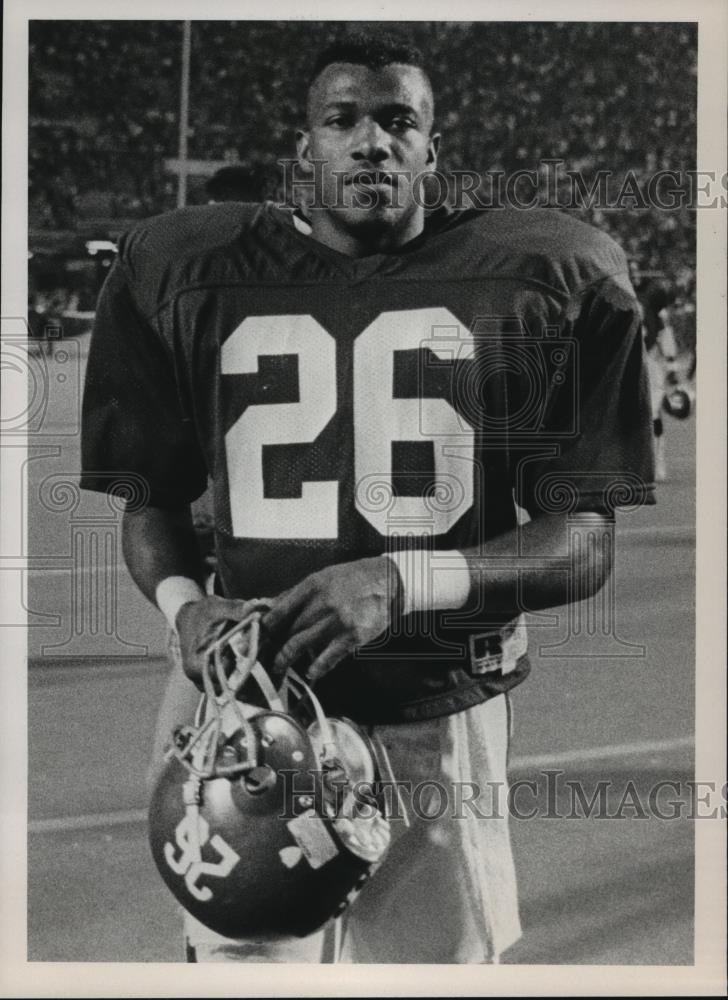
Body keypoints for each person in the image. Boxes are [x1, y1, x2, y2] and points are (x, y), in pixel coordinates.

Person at [80, 30, 655, 964]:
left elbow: (584, 541)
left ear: (433, 150)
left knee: (430, 973)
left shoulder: (545, 275)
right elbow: (150, 501)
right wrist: (184, 608)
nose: (371, 142)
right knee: (240, 968)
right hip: (242, 708)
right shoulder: (184, 269)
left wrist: (403, 580)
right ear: (304, 150)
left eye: (398, 121)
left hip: (434, 704)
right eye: (342, 120)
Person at [628, 259, 680, 482]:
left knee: (654, 413)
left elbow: (662, 334)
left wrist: (671, 366)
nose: (634, 275)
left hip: (647, 361)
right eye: (630, 272)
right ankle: (634, 462)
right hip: (625, 362)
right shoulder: (614, 300)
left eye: (635, 271)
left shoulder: (648, 302)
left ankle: (658, 461)